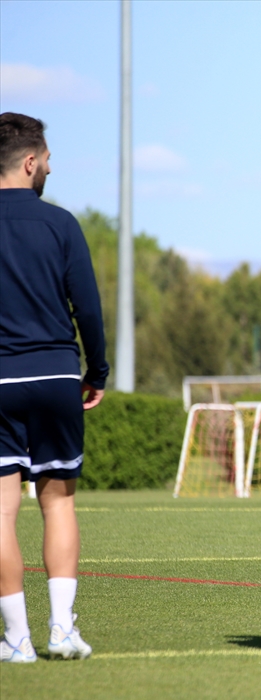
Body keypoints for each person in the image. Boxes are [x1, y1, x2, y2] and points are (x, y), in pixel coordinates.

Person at [0, 112, 108, 663]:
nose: (50, 166)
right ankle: (61, 631)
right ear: (28, 162)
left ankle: (16, 640)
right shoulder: (61, 223)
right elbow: (86, 306)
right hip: (56, 374)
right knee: (58, 503)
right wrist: (100, 372)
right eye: (46, 158)